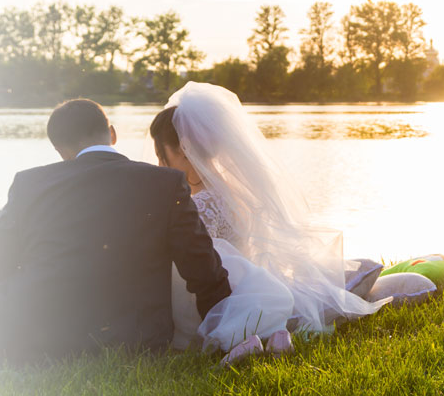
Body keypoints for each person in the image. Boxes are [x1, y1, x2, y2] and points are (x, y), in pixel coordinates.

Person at [0, 98, 232, 368]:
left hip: (36, 341)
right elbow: (204, 273)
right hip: (137, 342)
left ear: (59, 151)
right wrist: (225, 334)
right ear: (111, 133)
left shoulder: (30, 184)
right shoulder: (166, 182)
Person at [150, 82, 388, 358]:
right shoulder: (235, 190)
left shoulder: (199, 204)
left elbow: (195, 268)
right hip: (251, 290)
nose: (159, 165)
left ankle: (238, 338)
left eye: (161, 154)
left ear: (183, 149)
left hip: (214, 299)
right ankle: (270, 335)